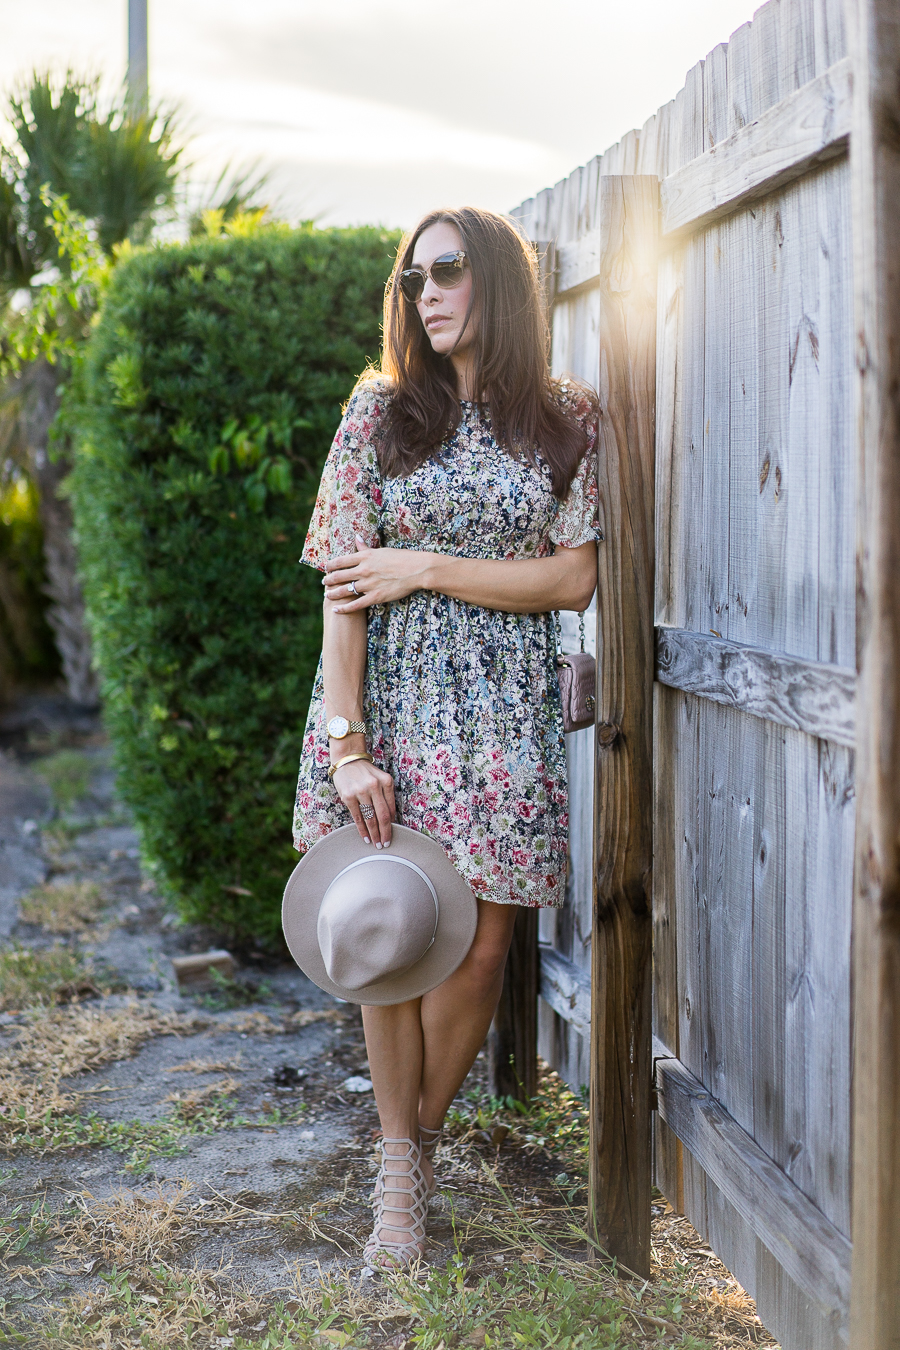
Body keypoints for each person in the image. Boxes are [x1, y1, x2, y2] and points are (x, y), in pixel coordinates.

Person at [293, 206, 599, 1267]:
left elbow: (574, 574)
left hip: (505, 712)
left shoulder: (565, 417)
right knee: (391, 931)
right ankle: (397, 1173)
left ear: (499, 282)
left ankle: (414, 1146)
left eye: (449, 269)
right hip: (396, 704)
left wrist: (425, 565)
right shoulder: (380, 413)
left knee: (481, 951)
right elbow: (342, 586)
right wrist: (347, 744)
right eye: (413, 275)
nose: (426, 291)